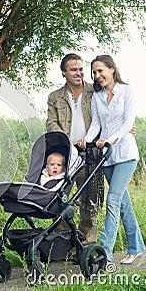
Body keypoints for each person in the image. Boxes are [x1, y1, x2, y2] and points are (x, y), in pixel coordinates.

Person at [77, 54, 145, 264]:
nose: (97, 76)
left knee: (113, 201)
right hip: (107, 159)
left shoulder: (127, 91)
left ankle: (104, 254)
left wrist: (111, 139)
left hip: (125, 155)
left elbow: (127, 124)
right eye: (94, 72)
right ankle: (136, 247)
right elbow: (96, 125)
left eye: (100, 71)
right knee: (123, 204)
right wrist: (86, 140)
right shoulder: (97, 97)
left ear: (112, 69)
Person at [46, 53, 101, 245]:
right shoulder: (55, 97)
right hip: (66, 156)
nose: (79, 73)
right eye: (73, 69)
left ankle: (86, 243)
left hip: (90, 154)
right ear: (64, 73)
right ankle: (64, 240)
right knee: (58, 197)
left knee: (89, 200)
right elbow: (51, 124)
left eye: (80, 69)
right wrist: (67, 142)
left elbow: (110, 113)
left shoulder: (94, 91)